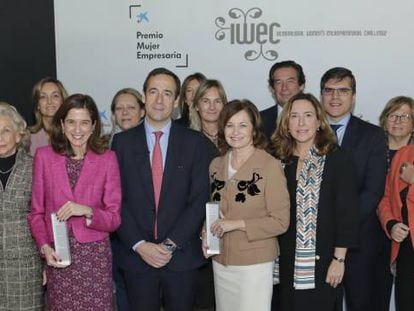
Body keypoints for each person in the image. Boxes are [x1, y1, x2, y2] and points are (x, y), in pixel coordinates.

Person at [112, 67, 211, 311]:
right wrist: (140, 245)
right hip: (137, 257)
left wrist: (168, 245)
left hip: (180, 257)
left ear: (176, 101)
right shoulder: (122, 143)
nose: (159, 100)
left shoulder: (195, 142)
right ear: (144, 96)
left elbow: (199, 200)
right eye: (153, 91)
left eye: (167, 94)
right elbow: (116, 199)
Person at [29, 94, 121, 310]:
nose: (77, 130)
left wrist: (87, 211)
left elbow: (114, 218)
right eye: (71, 122)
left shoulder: (107, 159)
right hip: (59, 257)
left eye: (84, 122)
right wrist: (44, 248)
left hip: (94, 260)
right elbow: (36, 213)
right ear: (62, 124)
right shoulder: (44, 157)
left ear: (94, 126)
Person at [272, 93, 359, 311]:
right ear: (286, 123)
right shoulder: (278, 160)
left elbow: (347, 214)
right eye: (294, 116)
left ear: (319, 121)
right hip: (283, 258)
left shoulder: (337, 159)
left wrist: (339, 260)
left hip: (323, 261)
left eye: (308, 115)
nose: (301, 123)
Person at [203, 99, 290, 311]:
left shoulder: (269, 165)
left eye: (243, 125)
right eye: (230, 125)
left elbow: (280, 221)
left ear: (253, 129)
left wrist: (237, 224)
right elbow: (215, 210)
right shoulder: (216, 164)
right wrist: (206, 233)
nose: (235, 131)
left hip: (255, 264)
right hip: (221, 261)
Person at [320, 67, 387, 311]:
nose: (335, 97)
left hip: (360, 243)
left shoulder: (373, 135)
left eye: (343, 91)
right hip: (319, 244)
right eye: (329, 90)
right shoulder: (308, 132)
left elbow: (372, 190)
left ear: (354, 96)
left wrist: (341, 227)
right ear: (321, 95)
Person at [0, 102, 43, 310]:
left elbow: (45, 217)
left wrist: (46, 263)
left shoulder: (35, 167)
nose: (0, 137)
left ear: (18, 135)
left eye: (6, 130)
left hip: (25, 267)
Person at [375, 95, 414, 311]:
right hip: (402, 244)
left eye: (405, 116)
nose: (398, 120)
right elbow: (386, 198)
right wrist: (390, 224)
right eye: (393, 115)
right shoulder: (399, 155)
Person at [108, 87, 145, 311]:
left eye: (130, 107)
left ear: (142, 111)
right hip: (113, 237)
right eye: (119, 108)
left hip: (143, 234)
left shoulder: (154, 145)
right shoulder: (102, 145)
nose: (125, 112)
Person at [261, 60, 305, 139]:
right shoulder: (259, 120)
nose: (284, 88)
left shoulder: (317, 117)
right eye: (279, 82)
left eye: (290, 81)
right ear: (272, 88)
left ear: (301, 85)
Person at [29, 77, 68, 155]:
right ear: (38, 105)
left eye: (55, 96)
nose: (49, 101)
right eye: (43, 97)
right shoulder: (28, 139)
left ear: (63, 101)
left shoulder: (74, 134)